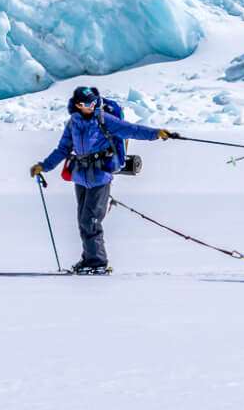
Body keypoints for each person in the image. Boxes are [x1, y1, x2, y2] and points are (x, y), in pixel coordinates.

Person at [29, 85, 175, 274]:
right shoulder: (73, 123)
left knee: (91, 220)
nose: (91, 105)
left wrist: (156, 133)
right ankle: (88, 259)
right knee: (83, 220)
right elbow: (63, 149)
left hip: (100, 176)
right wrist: (44, 166)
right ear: (78, 104)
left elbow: (131, 130)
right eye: (87, 103)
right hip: (80, 176)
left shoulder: (104, 120)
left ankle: (98, 263)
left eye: (94, 102)